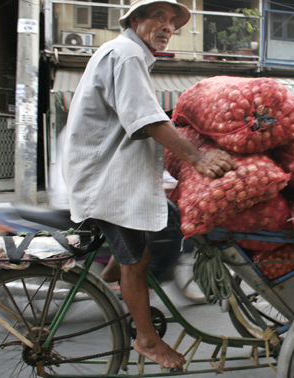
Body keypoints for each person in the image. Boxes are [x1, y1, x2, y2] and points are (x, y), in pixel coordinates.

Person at [62, 0, 236, 369]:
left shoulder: (127, 54)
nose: (167, 26)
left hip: (111, 173)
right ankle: (147, 340)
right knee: (138, 260)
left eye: (172, 21)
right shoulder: (127, 56)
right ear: (136, 19)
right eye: (159, 16)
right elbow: (147, 121)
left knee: (170, 221)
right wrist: (197, 157)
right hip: (106, 179)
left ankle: (112, 277)